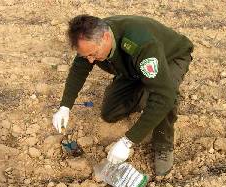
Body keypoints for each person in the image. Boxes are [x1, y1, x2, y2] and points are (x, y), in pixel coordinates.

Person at [52, 15, 193, 176]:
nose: (90, 60)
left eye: (93, 54)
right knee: (110, 112)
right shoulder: (89, 38)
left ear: (105, 37)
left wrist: (128, 141)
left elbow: (163, 95)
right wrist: (65, 106)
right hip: (134, 68)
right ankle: (149, 87)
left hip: (170, 58)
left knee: (166, 95)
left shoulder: (140, 43)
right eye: (86, 56)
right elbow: (79, 69)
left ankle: (163, 145)